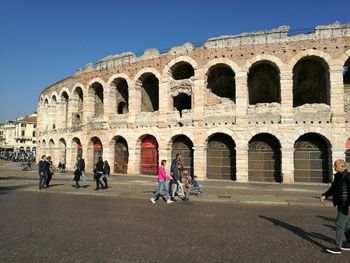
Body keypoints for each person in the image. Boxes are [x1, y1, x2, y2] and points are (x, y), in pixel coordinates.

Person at [320, 159, 350, 254]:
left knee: (339, 224)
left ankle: (337, 247)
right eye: (334, 165)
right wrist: (324, 195)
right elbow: (333, 189)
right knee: (347, 224)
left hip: (346, 204)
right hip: (340, 203)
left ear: (342, 166)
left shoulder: (348, 176)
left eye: (336, 165)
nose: (334, 167)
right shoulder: (337, 176)